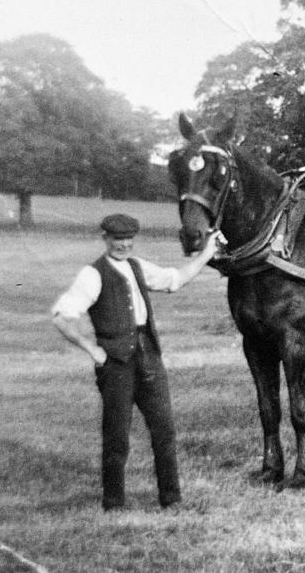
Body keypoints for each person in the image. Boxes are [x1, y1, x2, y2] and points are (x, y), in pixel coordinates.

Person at [51, 213, 219, 510]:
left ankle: (171, 499)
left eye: (128, 239)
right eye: (117, 239)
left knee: (164, 429)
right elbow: (62, 317)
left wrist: (208, 253)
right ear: (105, 239)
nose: (124, 244)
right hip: (116, 362)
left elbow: (175, 280)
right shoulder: (93, 274)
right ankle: (113, 503)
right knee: (117, 435)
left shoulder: (138, 266)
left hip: (149, 355)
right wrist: (94, 350)